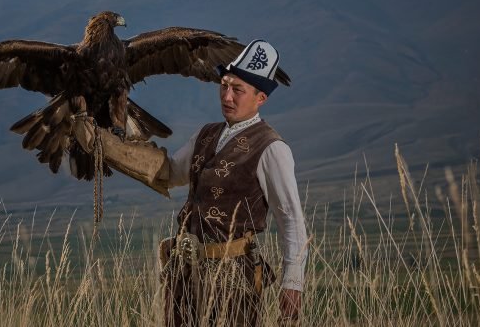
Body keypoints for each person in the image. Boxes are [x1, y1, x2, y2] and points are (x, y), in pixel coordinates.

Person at [71, 39, 307, 325]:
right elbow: (170, 172)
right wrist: (107, 146)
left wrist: (293, 283)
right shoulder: (206, 134)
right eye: (224, 85)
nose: (227, 96)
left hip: (233, 278)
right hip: (184, 273)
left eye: (238, 90)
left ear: (261, 98)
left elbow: (291, 218)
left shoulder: (272, 148)